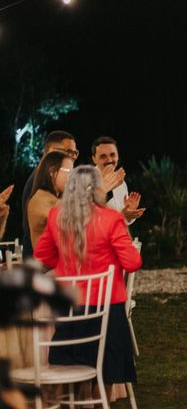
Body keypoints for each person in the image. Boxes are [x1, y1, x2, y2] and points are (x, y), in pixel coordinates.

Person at [34, 165, 142, 386]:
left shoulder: (56, 216)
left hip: (69, 318)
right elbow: (132, 263)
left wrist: (68, 262)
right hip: (107, 317)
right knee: (106, 364)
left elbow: (42, 256)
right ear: (96, 189)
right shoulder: (111, 219)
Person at [22, 131, 78, 259]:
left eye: (75, 152)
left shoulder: (55, 190)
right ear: (50, 151)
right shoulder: (39, 191)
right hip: (39, 266)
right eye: (68, 152)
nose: (73, 156)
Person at [91, 136, 145, 224]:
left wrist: (129, 211)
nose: (109, 160)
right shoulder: (85, 179)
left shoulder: (122, 183)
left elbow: (123, 221)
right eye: (103, 156)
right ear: (94, 159)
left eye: (112, 155)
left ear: (118, 156)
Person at [27, 152, 74, 249]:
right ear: (52, 171)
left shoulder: (57, 198)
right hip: (47, 263)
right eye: (68, 171)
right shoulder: (40, 199)